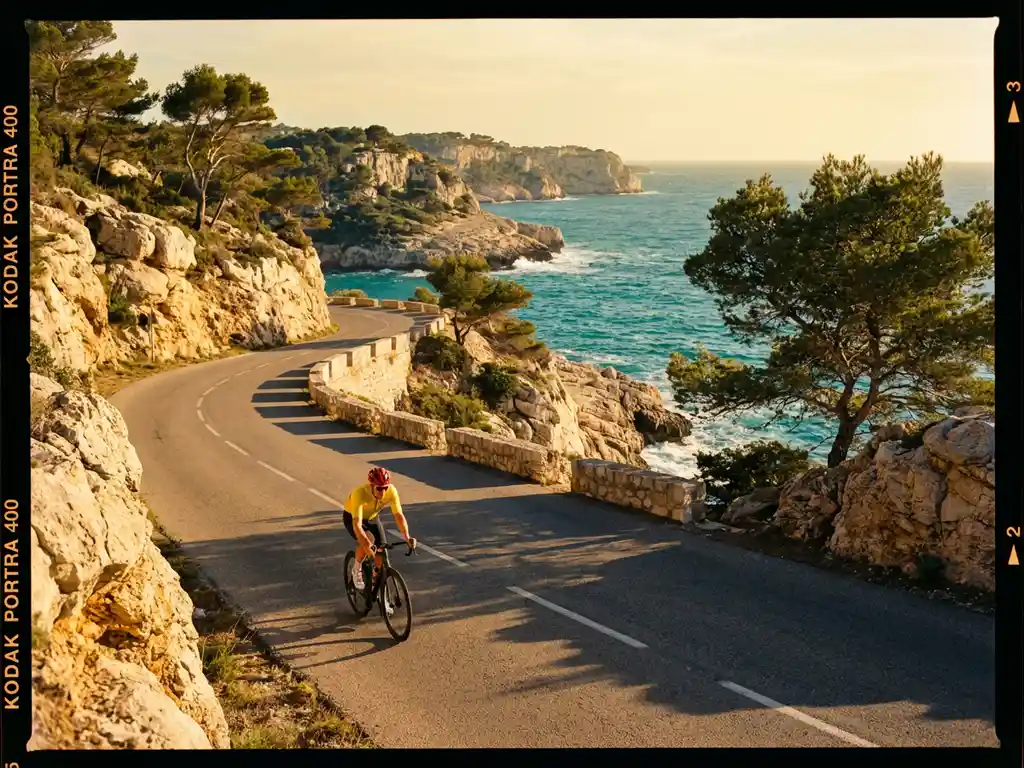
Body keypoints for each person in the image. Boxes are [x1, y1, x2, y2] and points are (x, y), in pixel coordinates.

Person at [343, 467, 416, 592]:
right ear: (372, 485)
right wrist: (367, 544)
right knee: (369, 540)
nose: (382, 492)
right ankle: (357, 568)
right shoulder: (360, 493)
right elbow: (357, 525)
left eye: (385, 488)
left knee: (381, 548)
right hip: (353, 517)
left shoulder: (391, 492)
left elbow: (398, 515)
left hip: (372, 517)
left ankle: (376, 581)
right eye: (379, 488)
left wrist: (407, 536)